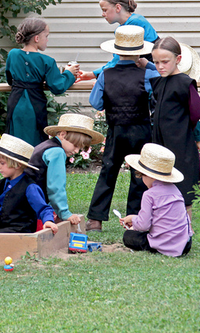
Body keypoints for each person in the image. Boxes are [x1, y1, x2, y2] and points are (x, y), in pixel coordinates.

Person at [85, 26, 156, 231]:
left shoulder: (106, 75)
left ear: (115, 51)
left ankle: (95, 219)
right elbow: (156, 92)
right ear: (140, 52)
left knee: (108, 171)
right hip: (141, 130)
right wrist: (148, 65)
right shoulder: (147, 74)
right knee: (140, 175)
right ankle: (134, 219)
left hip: (116, 130)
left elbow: (96, 102)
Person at [5, 17, 78, 147]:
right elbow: (57, 86)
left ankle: (15, 165)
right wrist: (69, 73)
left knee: (15, 138)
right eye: (46, 36)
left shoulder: (13, 54)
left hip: (15, 101)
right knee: (35, 138)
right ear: (37, 38)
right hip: (35, 102)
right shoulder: (47, 61)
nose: (48, 40)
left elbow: (10, 79)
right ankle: (34, 164)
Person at [150, 36, 200, 212]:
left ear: (178, 59)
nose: (160, 66)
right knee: (162, 182)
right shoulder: (160, 82)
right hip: (161, 142)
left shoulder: (185, 84)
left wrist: (184, 130)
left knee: (182, 185)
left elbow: (195, 113)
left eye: (165, 61)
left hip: (180, 143)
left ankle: (187, 227)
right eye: (156, 62)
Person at [29, 114, 103, 227]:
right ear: (63, 134)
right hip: (30, 207)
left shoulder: (44, 146)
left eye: (80, 148)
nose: (77, 151)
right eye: (75, 145)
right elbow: (55, 187)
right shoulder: (57, 152)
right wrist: (64, 213)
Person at [120, 144, 192, 257]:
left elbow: (144, 225)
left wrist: (133, 219)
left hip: (163, 244)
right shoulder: (176, 190)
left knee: (128, 236)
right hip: (185, 245)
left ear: (148, 175)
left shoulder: (149, 195)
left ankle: (158, 247)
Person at [77, 0, 159, 81]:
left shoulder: (134, 23)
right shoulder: (134, 20)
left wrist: (94, 75)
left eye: (105, 10)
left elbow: (118, 61)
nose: (103, 14)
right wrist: (92, 74)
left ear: (118, 8)